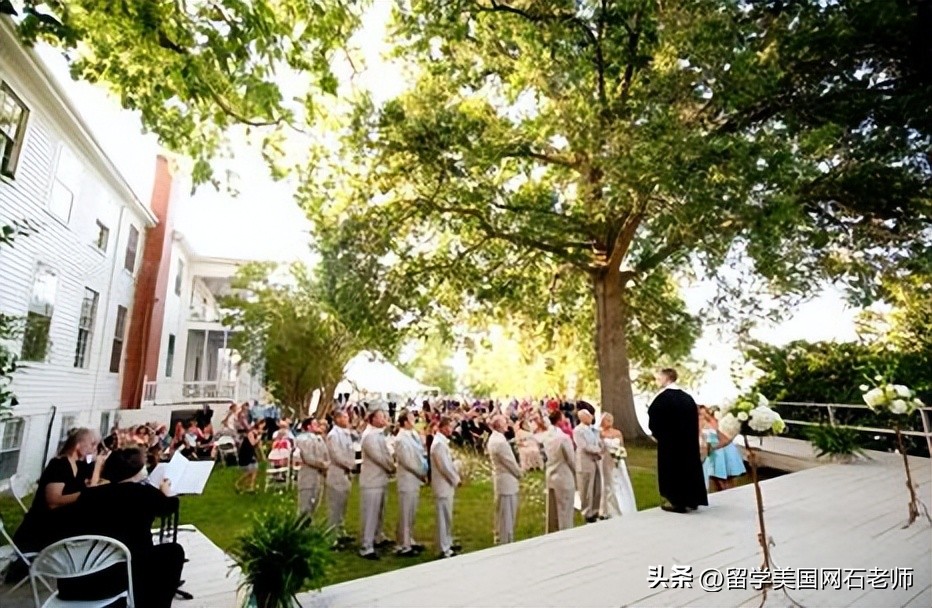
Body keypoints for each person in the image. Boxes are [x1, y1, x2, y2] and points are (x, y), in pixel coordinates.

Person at [57, 446, 184, 608]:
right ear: (138, 471)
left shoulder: (88, 495)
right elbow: (170, 506)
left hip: (76, 580)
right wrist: (166, 492)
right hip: (119, 578)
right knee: (173, 552)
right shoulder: (144, 494)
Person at [13, 427, 105, 552]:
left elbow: (91, 483)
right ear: (78, 445)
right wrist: (85, 495)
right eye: (92, 444)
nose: (95, 448)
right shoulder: (59, 465)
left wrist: (97, 464)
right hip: (43, 527)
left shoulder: (78, 464)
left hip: (62, 522)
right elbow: (53, 501)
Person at [647, 368, 708, 513]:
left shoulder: (662, 398)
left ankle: (678, 502)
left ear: (666, 378)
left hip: (671, 443)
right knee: (689, 467)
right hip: (688, 442)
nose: (658, 380)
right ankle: (693, 499)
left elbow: (654, 417)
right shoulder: (687, 398)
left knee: (673, 469)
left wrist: (659, 435)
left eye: (659, 377)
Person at [358, 406, 395, 560]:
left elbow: (386, 453)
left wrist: (391, 465)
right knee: (370, 513)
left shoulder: (379, 435)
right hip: (372, 480)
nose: (384, 419)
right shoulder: (368, 436)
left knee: (380, 512)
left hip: (381, 479)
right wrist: (391, 467)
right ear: (373, 419)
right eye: (381, 416)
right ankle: (366, 545)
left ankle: (377, 536)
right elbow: (378, 457)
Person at [393, 410, 427, 557]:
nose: (414, 420)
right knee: (405, 511)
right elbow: (406, 461)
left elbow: (420, 452)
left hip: (415, 479)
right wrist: (420, 472)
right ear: (405, 422)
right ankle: (403, 544)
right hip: (407, 478)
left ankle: (410, 539)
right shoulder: (400, 439)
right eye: (412, 419)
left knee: (412, 511)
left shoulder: (413, 435)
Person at [487, 414, 522, 544]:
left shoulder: (496, 439)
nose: (507, 424)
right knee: (506, 513)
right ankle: (505, 539)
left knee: (503, 512)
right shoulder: (499, 442)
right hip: (506, 480)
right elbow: (509, 462)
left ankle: (502, 536)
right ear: (500, 425)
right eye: (504, 422)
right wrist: (519, 473)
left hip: (503, 479)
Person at [430, 416, 461, 559]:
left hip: (446, 485)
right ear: (443, 427)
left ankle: (448, 542)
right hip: (442, 485)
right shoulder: (438, 445)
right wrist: (456, 479)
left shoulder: (442, 443)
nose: (452, 430)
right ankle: (443, 548)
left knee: (447, 515)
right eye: (450, 427)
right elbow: (444, 467)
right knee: (443, 517)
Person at [598, 413, 638, 517]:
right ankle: (611, 507)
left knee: (621, 480)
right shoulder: (601, 434)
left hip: (618, 460)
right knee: (609, 482)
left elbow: (622, 446)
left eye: (611, 419)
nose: (609, 422)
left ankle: (625, 504)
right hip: (607, 460)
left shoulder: (618, 433)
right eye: (607, 420)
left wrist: (621, 455)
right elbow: (600, 448)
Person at [326, 409, 356, 546]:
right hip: (337, 472)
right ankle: (332, 536)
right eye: (344, 417)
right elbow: (336, 454)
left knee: (343, 505)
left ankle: (341, 531)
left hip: (346, 473)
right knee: (335, 506)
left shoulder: (346, 433)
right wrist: (349, 465)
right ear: (337, 419)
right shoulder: (333, 435)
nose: (347, 419)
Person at [543, 410, 576, 532]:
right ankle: (565, 532)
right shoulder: (563, 438)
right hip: (563, 474)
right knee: (565, 509)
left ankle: (552, 531)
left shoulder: (546, 436)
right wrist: (575, 472)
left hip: (551, 472)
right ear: (560, 420)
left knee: (552, 509)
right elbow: (571, 459)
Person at [700, 406, 746, 492]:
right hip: (713, 453)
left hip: (722, 451)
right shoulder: (699, 423)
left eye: (704, 413)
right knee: (716, 481)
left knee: (726, 482)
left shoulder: (717, 422)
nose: (702, 415)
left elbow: (725, 438)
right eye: (700, 414)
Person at [572, 409, 603, 523]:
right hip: (585, 461)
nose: (591, 418)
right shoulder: (578, 431)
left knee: (597, 486)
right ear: (582, 418)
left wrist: (601, 448)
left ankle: (595, 510)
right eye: (588, 416)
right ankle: (586, 512)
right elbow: (584, 446)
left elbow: (599, 441)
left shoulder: (594, 430)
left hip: (596, 460)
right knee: (586, 487)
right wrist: (598, 450)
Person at [295, 418, 330, 516]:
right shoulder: (303, 439)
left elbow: (325, 454)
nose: (318, 425)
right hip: (308, 474)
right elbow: (308, 458)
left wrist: (327, 464)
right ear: (308, 426)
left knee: (315, 502)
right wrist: (323, 465)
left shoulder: (319, 439)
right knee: (305, 505)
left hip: (319, 476)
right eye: (315, 424)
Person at [235, 420, 264, 493]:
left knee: (255, 470)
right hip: (246, 452)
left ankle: (251, 487)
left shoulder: (257, 434)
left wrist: (260, 455)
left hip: (251, 453)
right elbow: (253, 443)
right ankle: (238, 483)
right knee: (251, 471)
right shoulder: (251, 433)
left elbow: (257, 446)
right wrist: (258, 438)